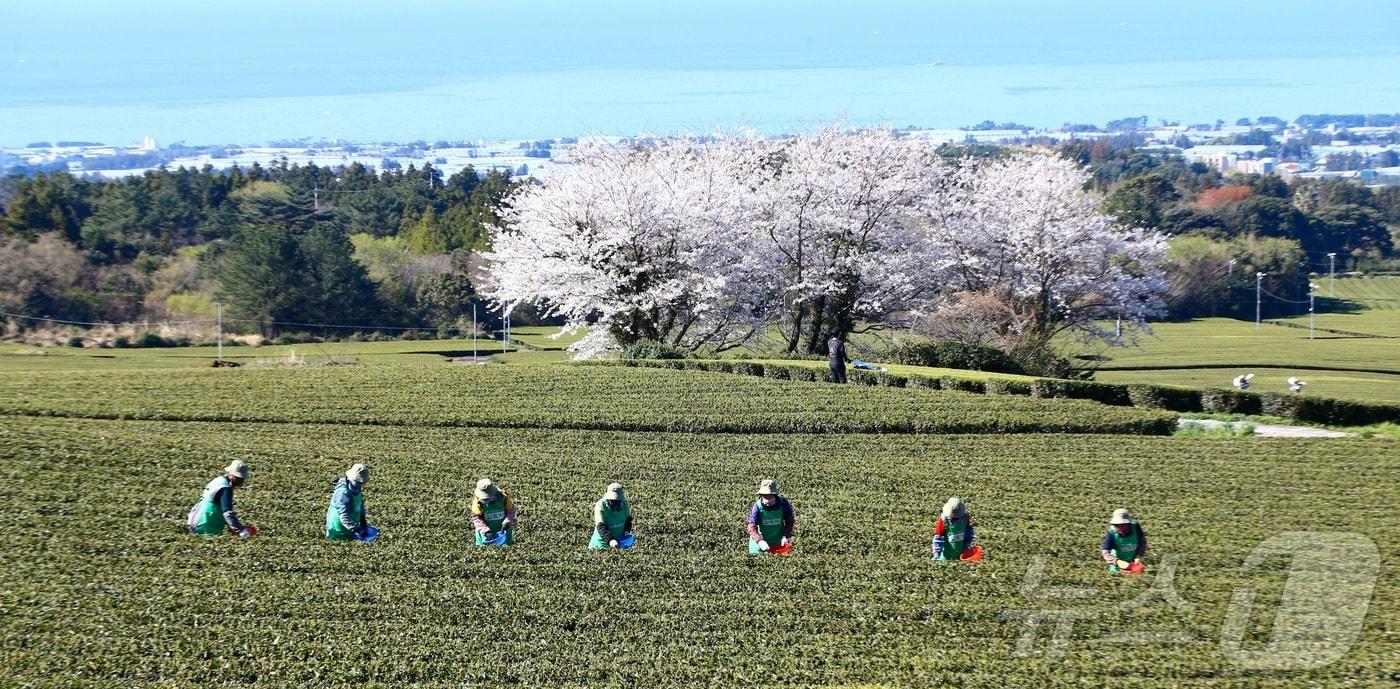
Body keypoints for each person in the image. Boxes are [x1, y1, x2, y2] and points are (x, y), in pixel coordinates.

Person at [188, 460, 257, 538]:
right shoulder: (225, 489)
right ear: (231, 475)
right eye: (239, 478)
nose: (242, 481)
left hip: (196, 518)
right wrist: (240, 530)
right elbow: (227, 512)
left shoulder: (219, 480)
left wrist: (232, 526)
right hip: (205, 524)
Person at [326, 463, 376, 541]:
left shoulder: (356, 488)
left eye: (361, 483)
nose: (360, 485)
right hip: (339, 528)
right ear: (350, 478)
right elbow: (344, 517)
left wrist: (363, 522)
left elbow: (360, 505)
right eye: (357, 482)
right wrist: (358, 530)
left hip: (351, 526)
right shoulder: (342, 493)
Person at [747, 479, 795, 555]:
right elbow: (751, 525)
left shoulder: (783, 503)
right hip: (761, 538)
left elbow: (790, 521)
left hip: (778, 538)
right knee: (756, 555)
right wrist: (759, 540)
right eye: (765, 497)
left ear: (775, 496)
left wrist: (785, 535)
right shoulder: (757, 506)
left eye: (770, 497)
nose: (767, 501)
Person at [471, 478, 517, 546]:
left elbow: (511, 511)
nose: (485, 501)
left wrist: (507, 522)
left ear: (494, 493)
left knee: (505, 548)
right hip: (485, 533)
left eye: (487, 498)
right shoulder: (478, 502)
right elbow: (476, 518)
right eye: (484, 499)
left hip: (503, 531)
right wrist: (485, 531)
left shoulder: (503, 497)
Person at [589, 482, 634, 549]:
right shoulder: (600, 506)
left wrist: (626, 532)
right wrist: (610, 540)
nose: (615, 504)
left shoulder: (624, 504)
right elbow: (601, 526)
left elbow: (628, 521)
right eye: (612, 501)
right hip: (601, 545)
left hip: (619, 542)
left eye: (617, 501)